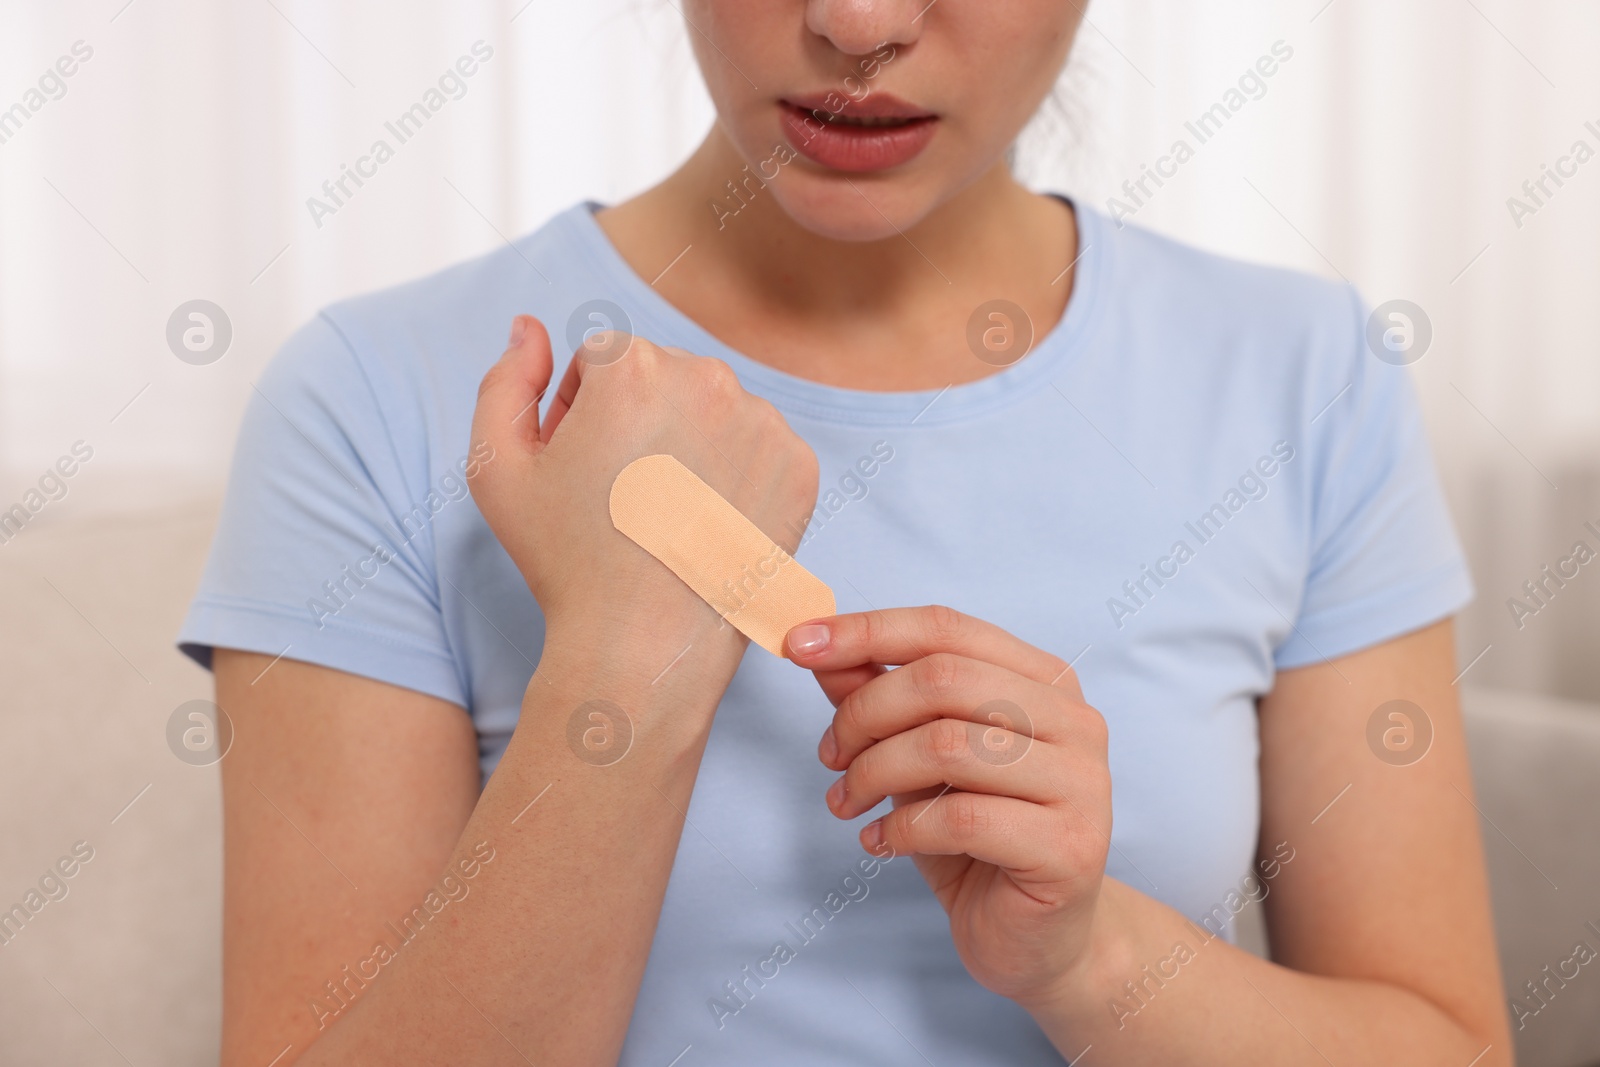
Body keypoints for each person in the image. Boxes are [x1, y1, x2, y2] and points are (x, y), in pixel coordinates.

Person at [179, 2, 1512, 1063]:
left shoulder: (1302, 374)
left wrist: (1091, 958)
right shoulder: (376, 395)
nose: (861, 22)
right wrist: (625, 657)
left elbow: (1441, 1046)